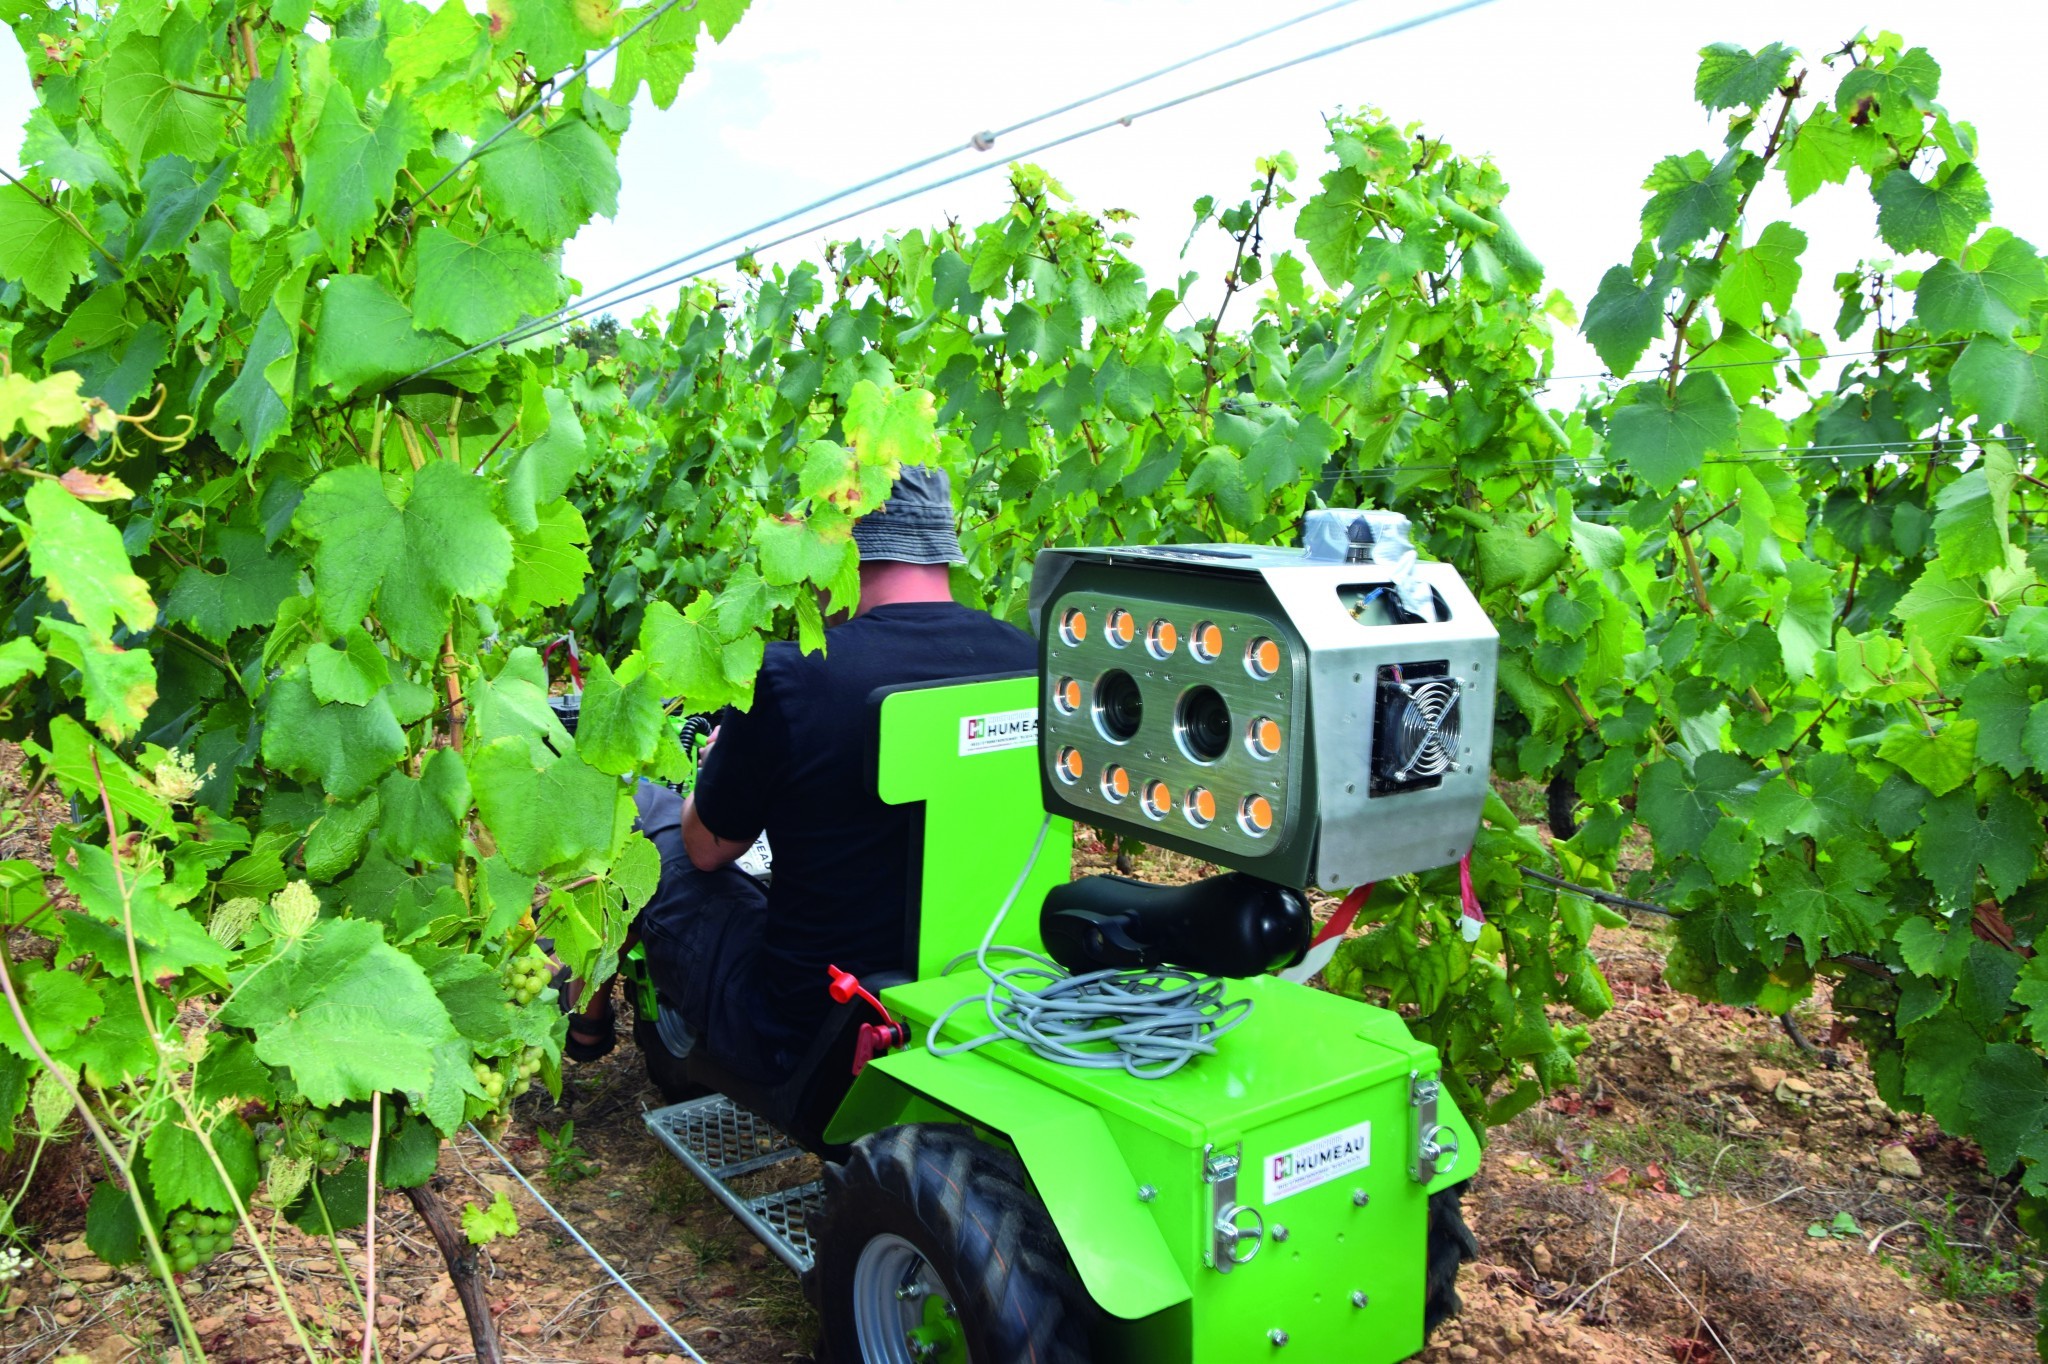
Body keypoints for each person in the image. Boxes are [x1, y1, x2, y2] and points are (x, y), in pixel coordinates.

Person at [566, 467, 1037, 1080]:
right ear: (941, 548)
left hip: (809, 1028)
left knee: (638, 810)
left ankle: (585, 1018)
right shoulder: (1031, 661)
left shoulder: (794, 677)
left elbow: (705, 850)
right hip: (980, 996)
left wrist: (723, 769)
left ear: (836, 549)